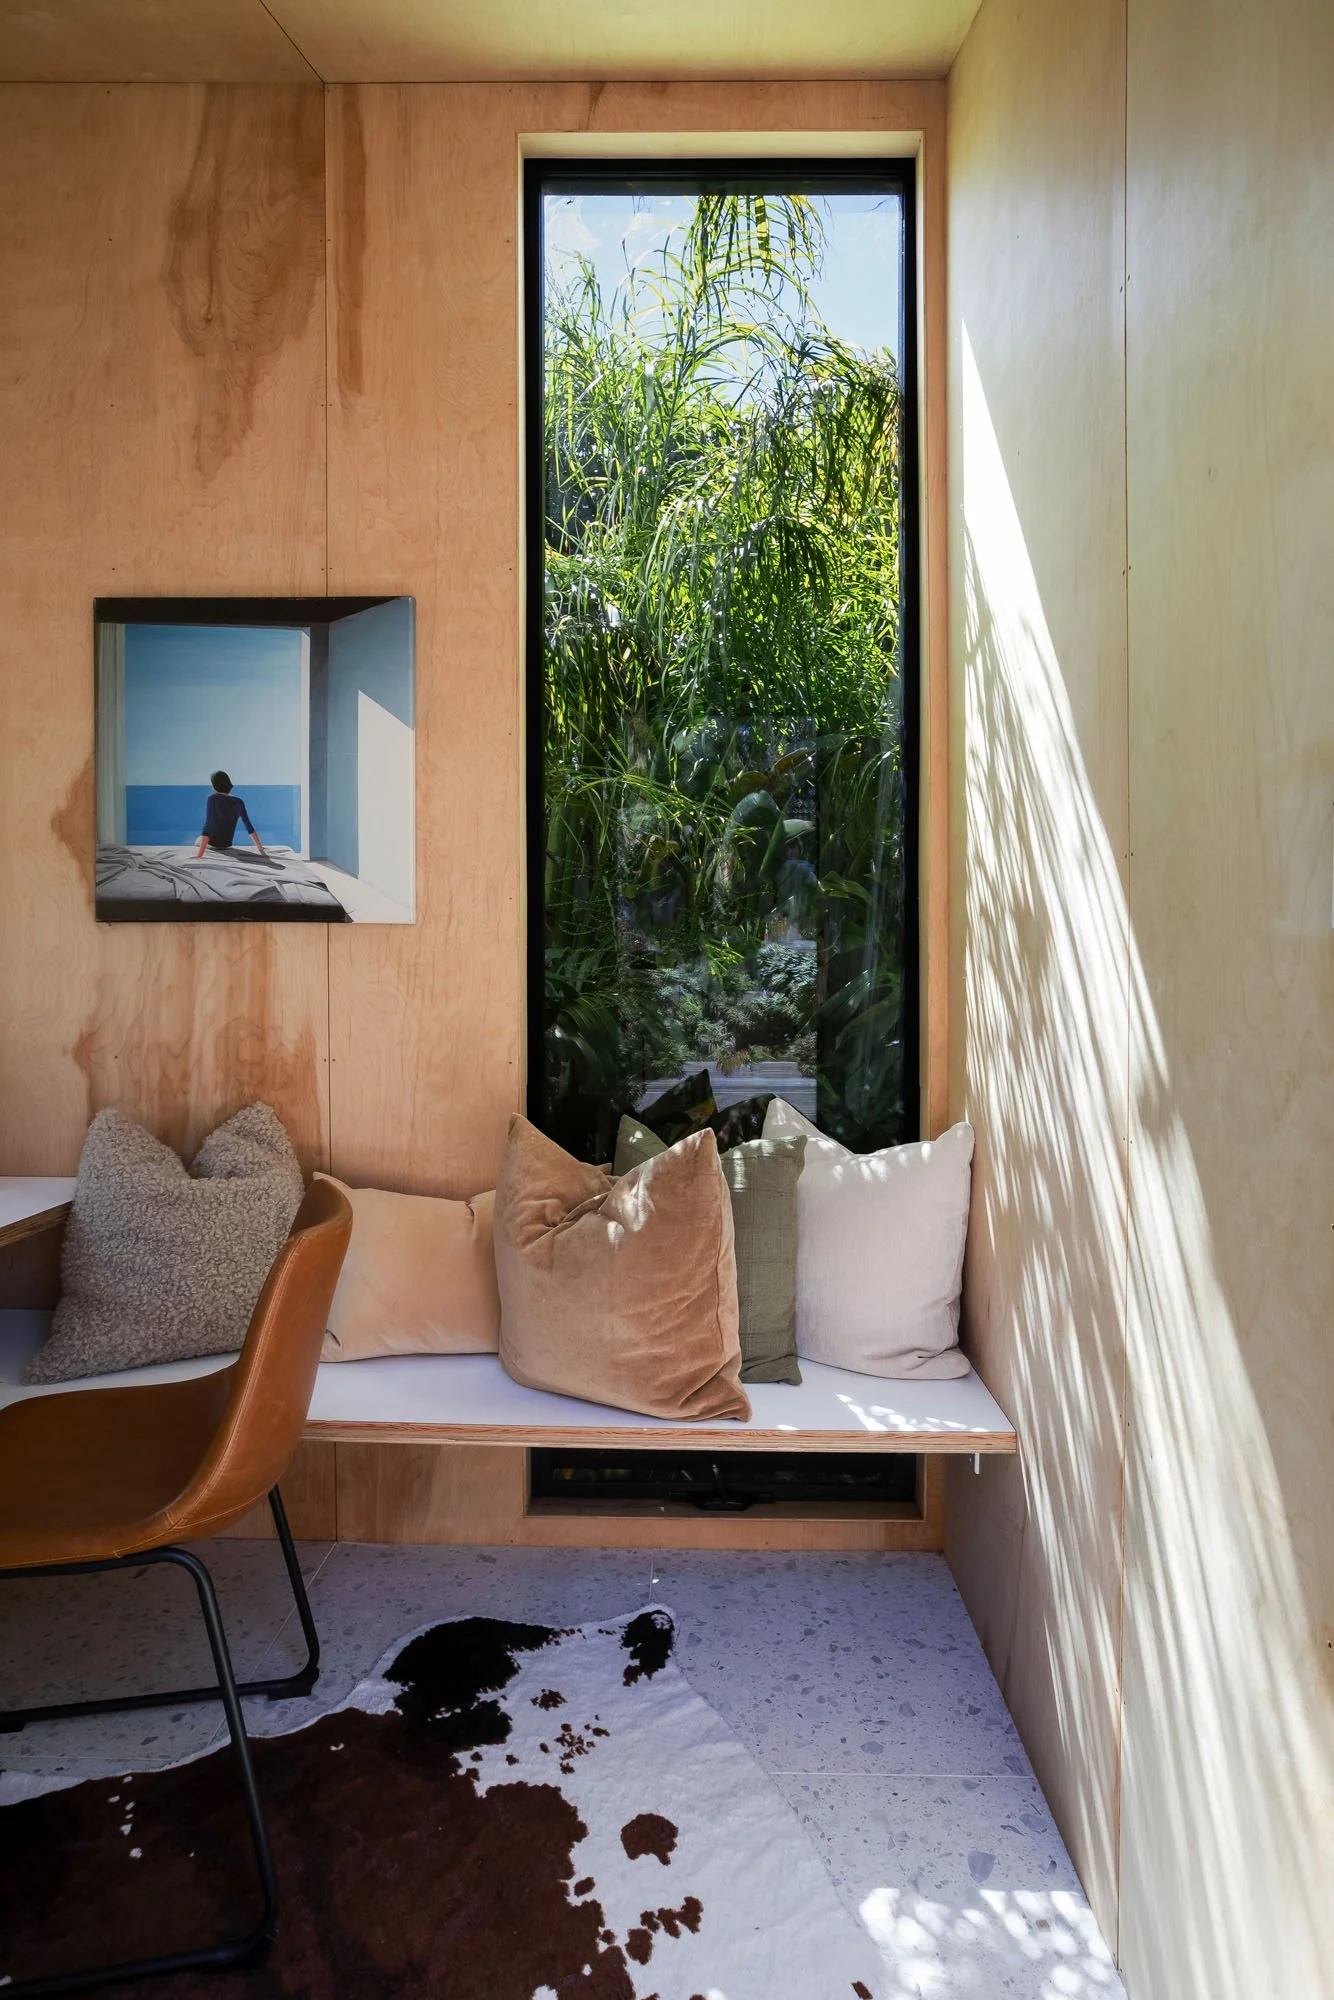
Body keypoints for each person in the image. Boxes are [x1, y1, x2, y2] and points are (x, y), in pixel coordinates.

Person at [192, 771, 267, 859]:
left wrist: (199, 855)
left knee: (197, 840)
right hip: (227, 845)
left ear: (214, 785)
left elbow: (207, 827)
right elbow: (248, 826)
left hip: (213, 845)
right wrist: (260, 847)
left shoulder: (212, 799)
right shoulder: (239, 802)